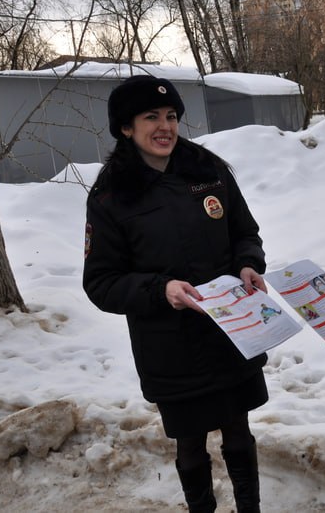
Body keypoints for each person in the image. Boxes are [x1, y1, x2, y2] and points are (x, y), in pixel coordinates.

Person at [83, 75, 267, 513]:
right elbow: (101, 282)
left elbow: (245, 232)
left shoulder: (209, 170)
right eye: (151, 117)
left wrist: (248, 264)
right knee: (190, 445)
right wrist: (160, 289)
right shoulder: (111, 196)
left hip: (230, 333)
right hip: (170, 348)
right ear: (126, 128)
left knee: (239, 433)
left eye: (171, 116)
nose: (165, 126)